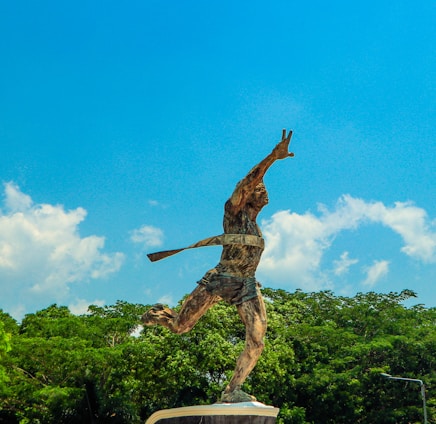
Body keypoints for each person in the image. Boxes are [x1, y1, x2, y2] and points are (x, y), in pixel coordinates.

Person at [142, 129, 294, 403]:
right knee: (181, 327)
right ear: (248, 194)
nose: (264, 190)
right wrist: (272, 157)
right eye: (259, 187)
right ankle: (158, 314)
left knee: (257, 340)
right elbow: (248, 181)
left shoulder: (255, 226)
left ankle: (232, 390)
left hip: (246, 284)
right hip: (220, 279)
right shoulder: (233, 212)